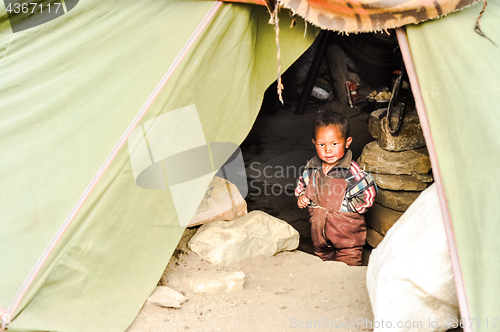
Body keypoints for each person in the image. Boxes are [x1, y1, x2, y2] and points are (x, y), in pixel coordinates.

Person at [295, 111, 376, 266]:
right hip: (319, 236)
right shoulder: (312, 168)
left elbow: (369, 192)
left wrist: (347, 207)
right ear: (314, 142)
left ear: (347, 142)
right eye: (321, 144)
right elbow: (302, 183)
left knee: (346, 272)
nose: (328, 150)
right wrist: (303, 196)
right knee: (323, 269)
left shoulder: (351, 172)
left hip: (347, 240)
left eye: (334, 144)